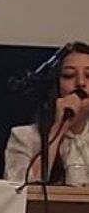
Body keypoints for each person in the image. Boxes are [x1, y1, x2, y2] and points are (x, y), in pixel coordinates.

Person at [5, 41, 89, 184]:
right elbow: (20, 190)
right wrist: (58, 129)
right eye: (69, 75)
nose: (80, 83)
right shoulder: (24, 137)